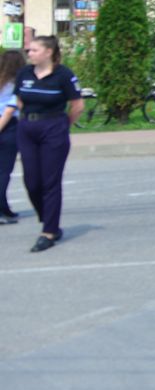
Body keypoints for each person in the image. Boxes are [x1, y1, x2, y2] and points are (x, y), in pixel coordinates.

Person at [15, 35, 83, 251]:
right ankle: (48, 217)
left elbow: (77, 105)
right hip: (28, 128)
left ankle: (49, 231)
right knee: (31, 181)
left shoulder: (63, 75)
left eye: (34, 50)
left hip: (53, 127)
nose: (29, 53)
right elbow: (19, 100)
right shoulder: (24, 73)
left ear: (48, 52)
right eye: (29, 50)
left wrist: (63, 125)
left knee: (50, 182)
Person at [0, 49, 20, 224]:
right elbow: (9, 111)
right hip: (8, 127)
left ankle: (5, 207)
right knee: (4, 171)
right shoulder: (16, 83)